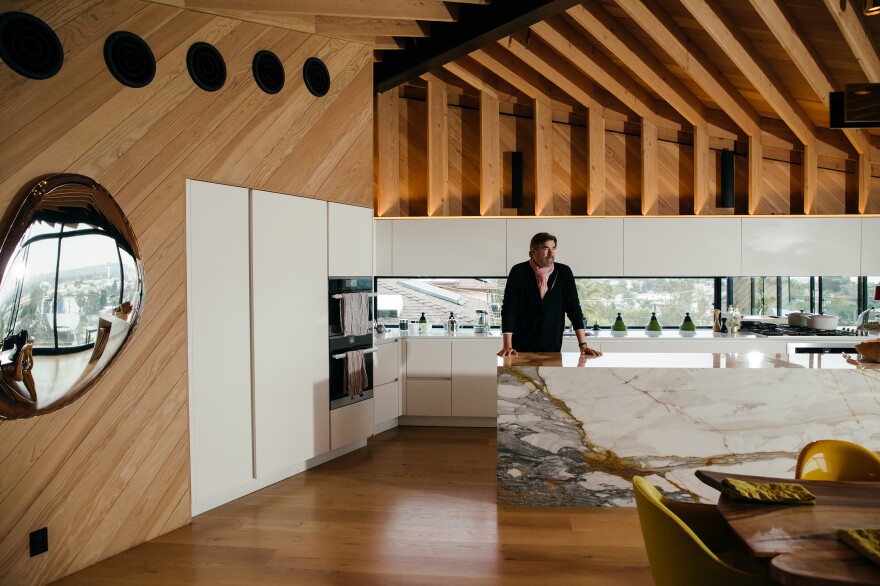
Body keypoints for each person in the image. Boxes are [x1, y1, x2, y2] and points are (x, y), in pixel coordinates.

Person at [497, 232, 601, 357]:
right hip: (520, 347)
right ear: (533, 251)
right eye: (546, 249)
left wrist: (582, 344)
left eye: (553, 248)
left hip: (552, 346)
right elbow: (509, 308)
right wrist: (507, 345)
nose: (551, 254)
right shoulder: (519, 271)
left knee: (549, 377)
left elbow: (573, 308)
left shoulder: (564, 272)